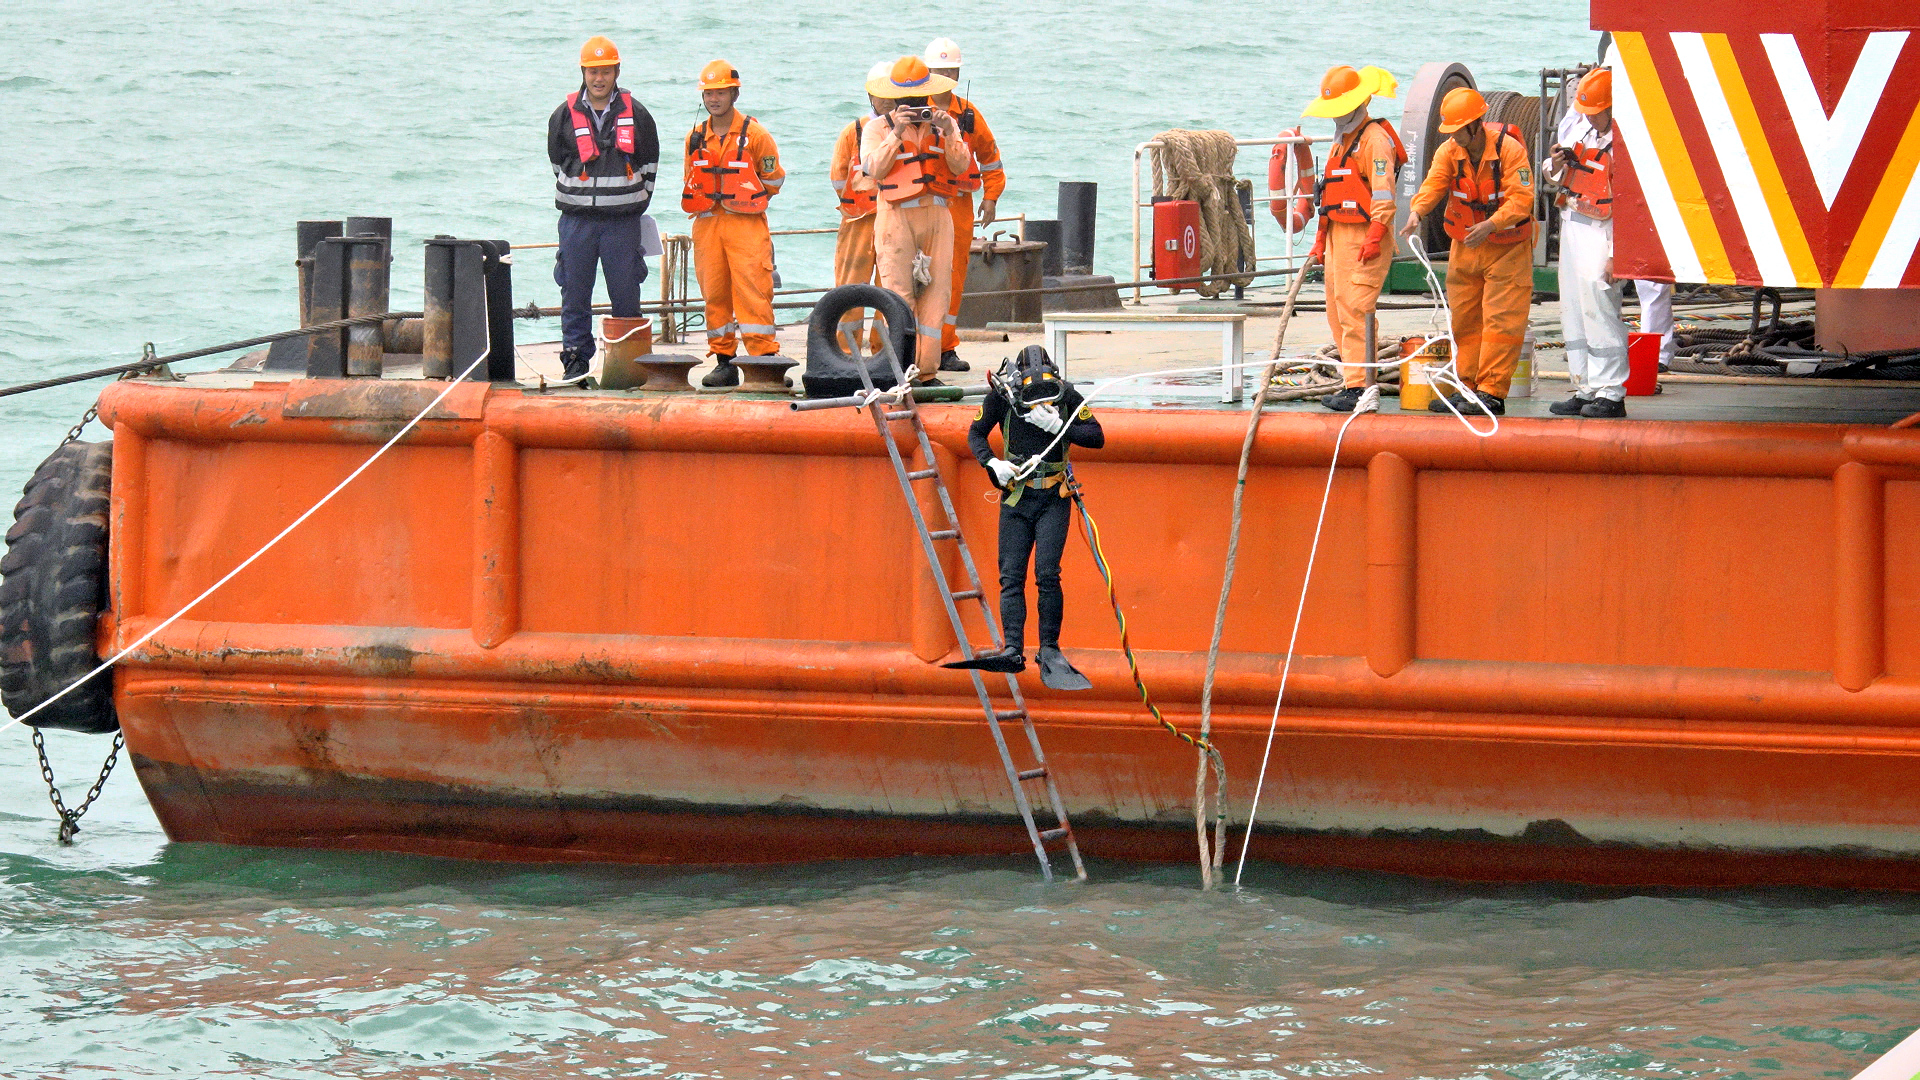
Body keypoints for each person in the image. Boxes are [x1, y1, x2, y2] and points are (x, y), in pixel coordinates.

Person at [951, 346, 1103, 690]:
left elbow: (1096, 437)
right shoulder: (1002, 398)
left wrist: (1060, 426)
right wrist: (992, 463)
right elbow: (975, 434)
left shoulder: (1066, 396)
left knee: (1048, 575)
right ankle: (1013, 648)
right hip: (1017, 496)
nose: (1040, 404)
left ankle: (1049, 649)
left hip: (1054, 496)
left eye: (1046, 397)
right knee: (1011, 576)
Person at [1401, 87, 1536, 416]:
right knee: (1465, 320)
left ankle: (1492, 391)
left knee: (1501, 322)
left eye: (1457, 130)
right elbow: (1434, 183)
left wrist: (1492, 224)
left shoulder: (1510, 150)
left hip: (1507, 247)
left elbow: (1522, 198)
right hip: (1465, 246)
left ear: (1475, 125)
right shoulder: (1449, 152)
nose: (1454, 137)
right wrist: (1417, 211)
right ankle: (1468, 387)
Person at [547, 36, 660, 383]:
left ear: (616, 72)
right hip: (576, 222)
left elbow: (650, 163)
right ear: (583, 72)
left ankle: (628, 363)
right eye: (593, 71)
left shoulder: (637, 114)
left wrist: (634, 201)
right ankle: (576, 363)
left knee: (626, 292)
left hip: (622, 224)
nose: (599, 78)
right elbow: (556, 159)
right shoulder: (563, 115)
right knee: (575, 292)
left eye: (606, 71)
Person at [860, 56, 972, 386]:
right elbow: (873, 168)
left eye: (919, 99)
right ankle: (900, 372)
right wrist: (896, 133)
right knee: (898, 295)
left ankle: (925, 372)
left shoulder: (946, 122)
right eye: (904, 100)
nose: (912, 106)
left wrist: (950, 130)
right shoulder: (875, 128)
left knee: (937, 296)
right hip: (895, 216)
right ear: (893, 98)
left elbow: (960, 164)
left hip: (938, 214)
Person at [1301, 65, 1406, 412]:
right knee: (1337, 309)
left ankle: (1362, 386)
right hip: (1338, 236)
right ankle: (1352, 381)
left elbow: (1383, 195)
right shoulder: (1341, 141)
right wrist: (1320, 237)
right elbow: (1329, 196)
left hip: (1364, 235)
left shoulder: (1374, 139)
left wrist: (1376, 235)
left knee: (1357, 309)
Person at [682, 59, 785, 387]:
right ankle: (724, 360)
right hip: (708, 224)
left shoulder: (756, 134)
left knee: (753, 288)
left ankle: (763, 359)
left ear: (734, 94)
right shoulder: (695, 137)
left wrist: (744, 199)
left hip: (746, 224)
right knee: (714, 292)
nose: (714, 98)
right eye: (709, 93)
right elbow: (690, 179)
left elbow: (773, 180)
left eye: (721, 92)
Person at [1544, 67, 1629, 417]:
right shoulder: (1577, 126)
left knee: (1601, 309)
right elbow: (1551, 173)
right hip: (1572, 224)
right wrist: (1556, 163)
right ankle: (1584, 385)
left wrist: (1617, 256)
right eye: (1587, 111)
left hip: (1602, 234)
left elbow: (1632, 202)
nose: (1590, 117)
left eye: (1596, 112)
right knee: (1574, 311)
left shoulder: (1626, 142)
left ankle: (1611, 392)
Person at [923, 37, 1005, 373]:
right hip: (921, 203)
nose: (946, 76)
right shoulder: (915, 110)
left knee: (953, 276)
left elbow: (991, 159)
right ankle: (909, 344)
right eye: (940, 70)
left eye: (951, 70)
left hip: (958, 204)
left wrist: (991, 197)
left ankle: (944, 347)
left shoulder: (969, 115)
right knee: (915, 276)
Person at [830, 62, 893, 354]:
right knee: (850, 287)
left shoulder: (905, 130)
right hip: (857, 221)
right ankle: (845, 351)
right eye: (881, 92)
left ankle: (884, 350)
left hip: (894, 220)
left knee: (891, 287)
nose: (887, 98)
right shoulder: (851, 133)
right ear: (870, 96)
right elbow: (837, 178)